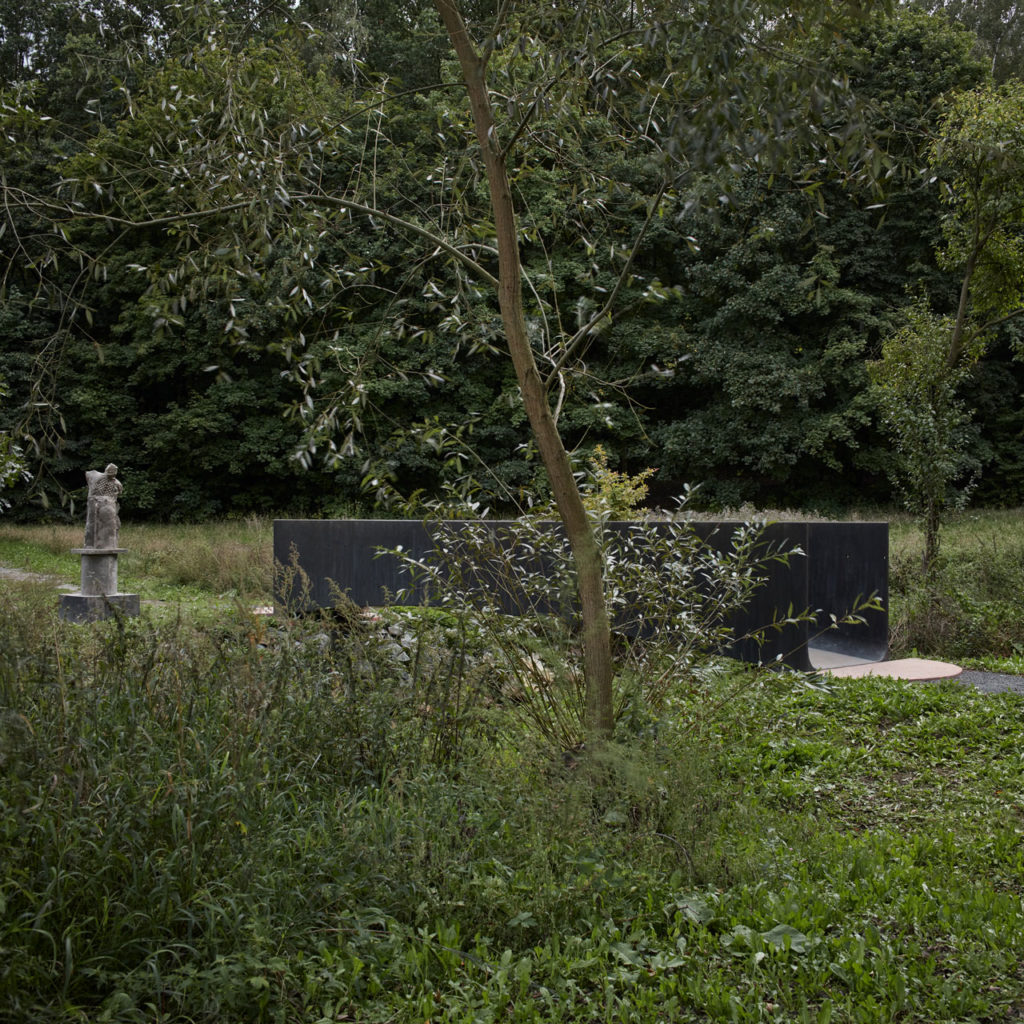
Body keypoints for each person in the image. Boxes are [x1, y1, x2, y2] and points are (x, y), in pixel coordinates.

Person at [84, 463, 122, 548]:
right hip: (98, 505)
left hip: (109, 506)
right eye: (111, 472)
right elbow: (95, 490)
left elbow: (119, 490)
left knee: (110, 528)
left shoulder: (116, 482)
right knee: (93, 527)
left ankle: (106, 544)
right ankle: (93, 545)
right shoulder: (99, 478)